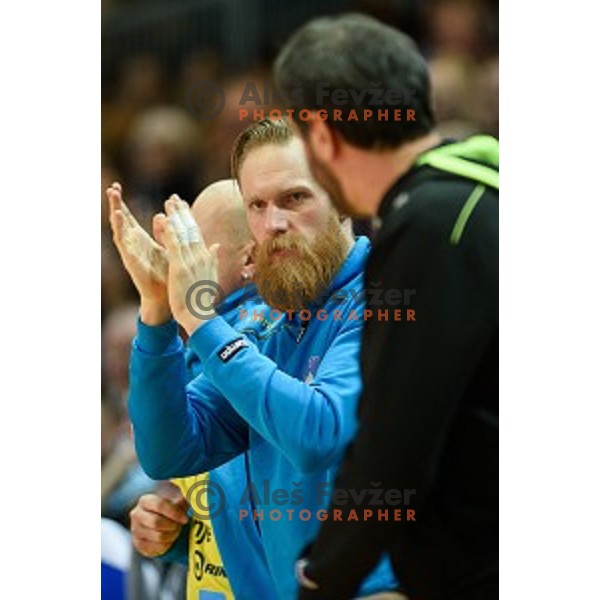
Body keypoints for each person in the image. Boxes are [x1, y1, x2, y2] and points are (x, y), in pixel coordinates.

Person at [123, 118, 402, 599]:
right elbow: (169, 450)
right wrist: (157, 316)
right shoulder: (266, 321)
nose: (273, 224)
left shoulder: (383, 298)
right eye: (258, 205)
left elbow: (319, 434)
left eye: (295, 198)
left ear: (340, 197)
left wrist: (203, 322)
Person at [274, 13, 499, 600]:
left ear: (322, 135)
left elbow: (396, 446)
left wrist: (323, 577)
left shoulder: (428, 225)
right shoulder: (478, 190)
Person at [108, 179, 277, 599]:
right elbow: (166, 462)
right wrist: (176, 536)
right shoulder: (200, 336)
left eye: (191, 243)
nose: (174, 260)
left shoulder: (263, 337)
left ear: (249, 259)